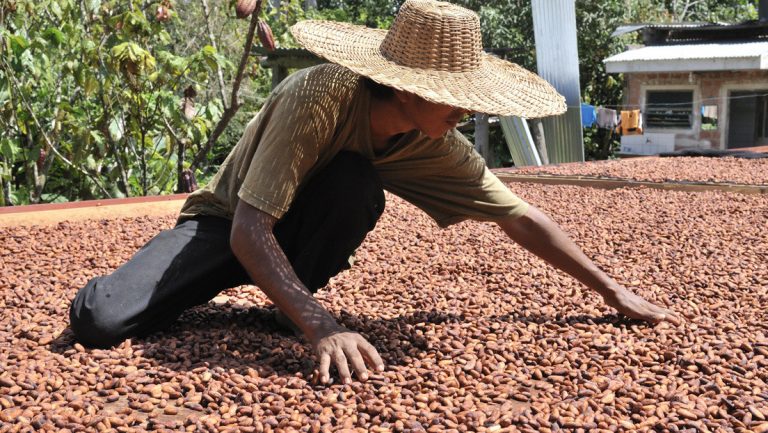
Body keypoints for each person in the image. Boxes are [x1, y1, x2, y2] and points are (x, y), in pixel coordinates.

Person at [69, 0, 679, 385]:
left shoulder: (432, 140)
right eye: (456, 96)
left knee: (355, 183)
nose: (466, 111)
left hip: (290, 243)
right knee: (100, 320)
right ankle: (263, 297)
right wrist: (321, 324)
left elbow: (517, 215)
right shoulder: (319, 97)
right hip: (227, 224)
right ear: (406, 87)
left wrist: (611, 289)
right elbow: (247, 229)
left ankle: (283, 305)